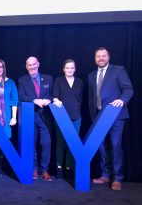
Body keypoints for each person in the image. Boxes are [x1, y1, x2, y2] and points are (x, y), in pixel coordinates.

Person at [88, 47, 134, 191]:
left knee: (115, 145)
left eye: (103, 56)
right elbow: (92, 97)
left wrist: (122, 100)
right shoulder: (91, 75)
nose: (101, 58)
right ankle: (105, 174)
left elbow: (128, 89)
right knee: (101, 146)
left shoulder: (118, 70)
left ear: (108, 57)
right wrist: (92, 115)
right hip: (98, 117)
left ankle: (117, 178)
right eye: (98, 56)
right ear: (95, 59)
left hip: (116, 115)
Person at [18, 56, 53, 181]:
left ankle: (44, 170)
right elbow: (21, 96)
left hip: (45, 116)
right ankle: (33, 168)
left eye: (34, 64)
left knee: (46, 143)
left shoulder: (48, 78)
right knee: (31, 142)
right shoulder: (22, 80)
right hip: (30, 115)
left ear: (38, 64)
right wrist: (34, 100)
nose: (32, 67)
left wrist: (49, 100)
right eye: (29, 65)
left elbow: (53, 94)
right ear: (26, 67)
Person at [52, 59, 83, 179]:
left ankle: (68, 168)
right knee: (60, 142)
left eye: (72, 68)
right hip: (61, 117)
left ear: (75, 69)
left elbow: (79, 100)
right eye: (67, 68)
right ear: (63, 69)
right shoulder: (58, 81)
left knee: (72, 143)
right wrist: (56, 100)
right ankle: (59, 168)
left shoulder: (80, 82)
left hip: (76, 117)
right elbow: (54, 96)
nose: (70, 70)